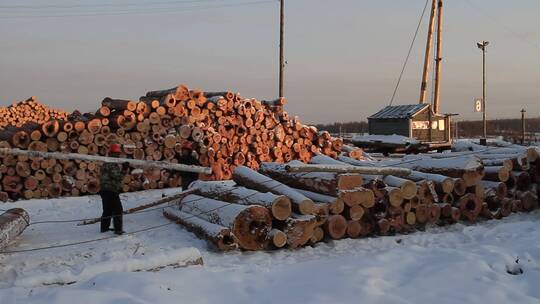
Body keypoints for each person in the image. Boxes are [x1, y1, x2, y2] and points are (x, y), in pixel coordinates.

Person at [99, 143, 127, 235]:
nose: (119, 155)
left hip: (104, 190)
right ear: (115, 154)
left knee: (107, 210)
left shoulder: (106, 163)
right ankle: (118, 230)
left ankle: (104, 228)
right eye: (118, 153)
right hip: (111, 190)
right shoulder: (112, 164)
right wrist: (124, 169)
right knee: (118, 209)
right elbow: (118, 177)